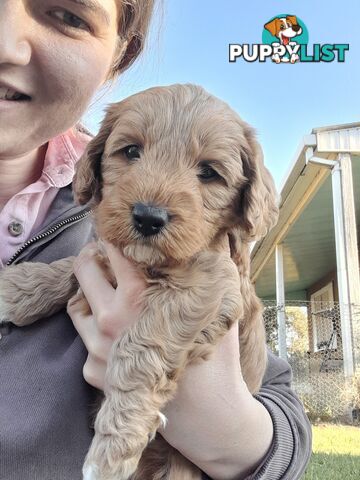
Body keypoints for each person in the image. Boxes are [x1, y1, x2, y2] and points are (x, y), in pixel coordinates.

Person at [0, 1, 312, 479]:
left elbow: (283, 423)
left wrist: (229, 433)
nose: (7, 44)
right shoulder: (97, 225)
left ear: (120, 54)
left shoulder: (210, 260)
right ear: (97, 164)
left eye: (209, 173)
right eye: (132, 152)